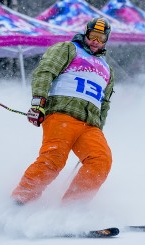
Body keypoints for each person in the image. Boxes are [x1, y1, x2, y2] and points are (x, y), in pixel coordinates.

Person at [11, 18, 115, 205]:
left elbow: (104, 102)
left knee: (101, 161)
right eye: (93, 36)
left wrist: (100, 126)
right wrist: (38, 104)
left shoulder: (108, 69)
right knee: (53, 161)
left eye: (101, 39)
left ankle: (71, 210)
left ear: (106, 40)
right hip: (62, 116)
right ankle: (18, 201)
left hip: (89, 125)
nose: (95, 42)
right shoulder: (68, 49)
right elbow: (45, 72)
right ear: (86, 33)